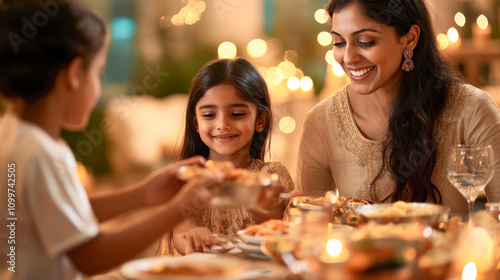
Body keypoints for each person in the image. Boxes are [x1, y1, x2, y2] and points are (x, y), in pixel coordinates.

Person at [0, 1, 222, 279]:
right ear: (75, 74)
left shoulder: (14, 133)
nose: (99, 86)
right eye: (99, 73)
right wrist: (179, 209)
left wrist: (144, 194)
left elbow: (64, 213)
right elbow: (90, 255)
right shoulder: (41, 154)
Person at [297, 0, 500, 215]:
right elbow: (310, 231)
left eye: (365, 41)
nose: (347, 58)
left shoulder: (471, 109)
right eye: (338, 42)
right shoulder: (321, 121)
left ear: (409, 38)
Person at [161, 58, 295, 255]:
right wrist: (193, 235)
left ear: (261, 120)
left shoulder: (271, 176)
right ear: (195, 122)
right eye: (209, 115)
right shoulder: (189, 177)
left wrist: (265, 210)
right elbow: (182, 231)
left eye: (237, 114)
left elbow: (276, 237)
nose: (222, 124)